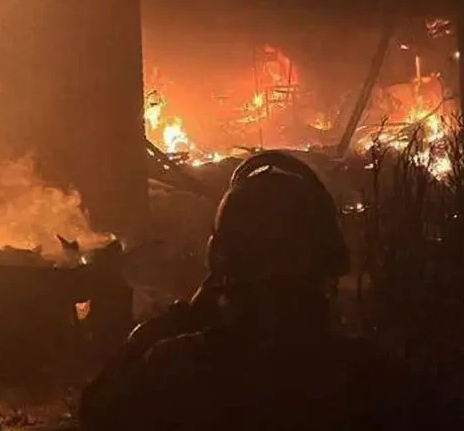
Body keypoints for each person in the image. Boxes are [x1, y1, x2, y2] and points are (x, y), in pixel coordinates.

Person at [81, 151, 437, 431]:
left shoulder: (174, 371)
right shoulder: (376, 384)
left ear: (219, 262)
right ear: (329, 261)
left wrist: (184, 316)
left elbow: (98, 411)